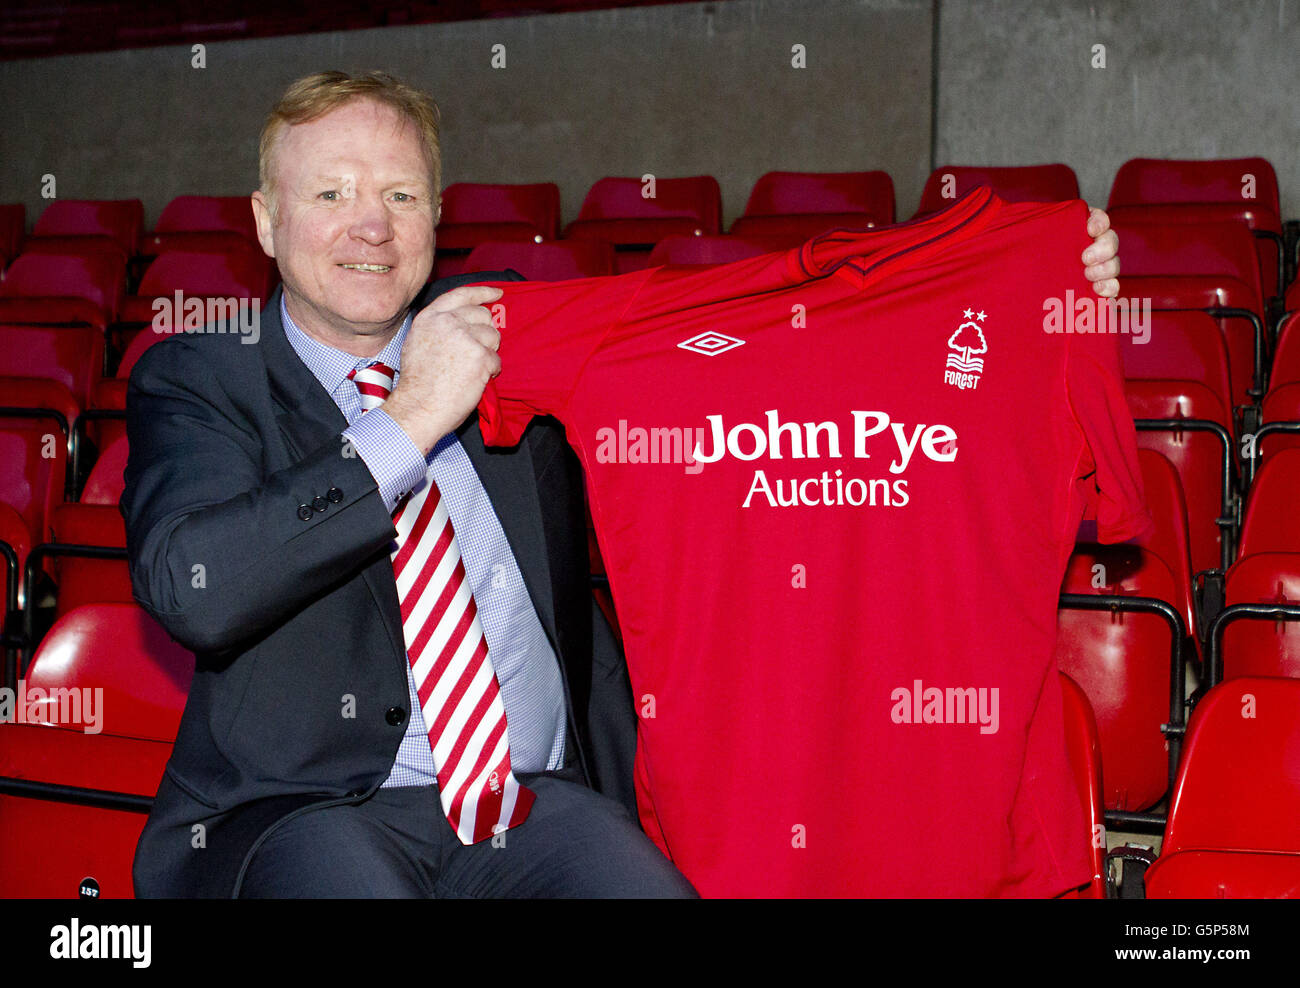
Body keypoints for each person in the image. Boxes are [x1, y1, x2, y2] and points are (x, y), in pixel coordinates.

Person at [124, 70, 1122, 898]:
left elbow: (757, 319)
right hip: (310, 809)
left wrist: (1029, 273)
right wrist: (406, 422)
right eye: (331, 193)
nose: (369, 226)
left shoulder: (518, 335)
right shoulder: (201, 375)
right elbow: (194, 587)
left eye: (398, 193)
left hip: (534, 801)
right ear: (265, 220)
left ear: (437, 210)